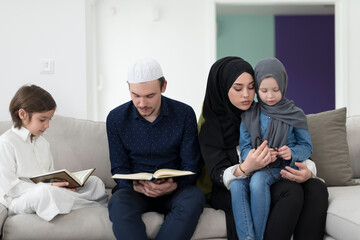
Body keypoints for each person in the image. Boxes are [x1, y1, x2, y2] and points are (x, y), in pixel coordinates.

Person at [198, 56, 328, 240]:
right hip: (234, 185)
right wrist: (245, 167)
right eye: (238, 88)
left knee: (317, 187)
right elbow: (217, 173)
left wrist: (309, 170)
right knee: (291, 192)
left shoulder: (267, 111)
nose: (246, 95)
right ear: (222, 88)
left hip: (272, 172)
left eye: (251, 87)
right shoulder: (211, 128)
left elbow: (296, 144)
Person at [106, 58, 205, 240]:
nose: (142, 103)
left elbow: (191, 166)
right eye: (135, 95)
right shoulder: (116, 118)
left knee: (195, 197)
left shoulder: (184, 114)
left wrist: (173, 185)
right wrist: (138, 187)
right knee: (118, 202)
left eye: (150, 96)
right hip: (136, 192)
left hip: (174, 190)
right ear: (128, 88)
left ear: (164, 86)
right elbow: (119, 168)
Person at [230, 57, 313, 240]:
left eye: (275, 90)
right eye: (263, 90)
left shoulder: (295, 114)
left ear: (283, 86)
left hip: (280, 168)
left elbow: (307, 146)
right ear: (257, 89)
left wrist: (292, 153)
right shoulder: (249, 115)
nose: (270, 96)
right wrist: (252, 157)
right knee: (236, 186)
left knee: (258, 181)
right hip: (255, 167)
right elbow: (244, 147)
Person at [0, 85, 107, 222]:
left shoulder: (43, 143)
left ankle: (72, 201)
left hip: (48, 190)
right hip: (20, 199)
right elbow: (12, 188)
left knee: (94, 182)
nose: (47, 126)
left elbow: (49, 174)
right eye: (42, 120)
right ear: (22, 114)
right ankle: (90, 205)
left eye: (49, 120)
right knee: (46, 192)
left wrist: (63, 184)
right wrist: (51, 187)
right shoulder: (6, 143)